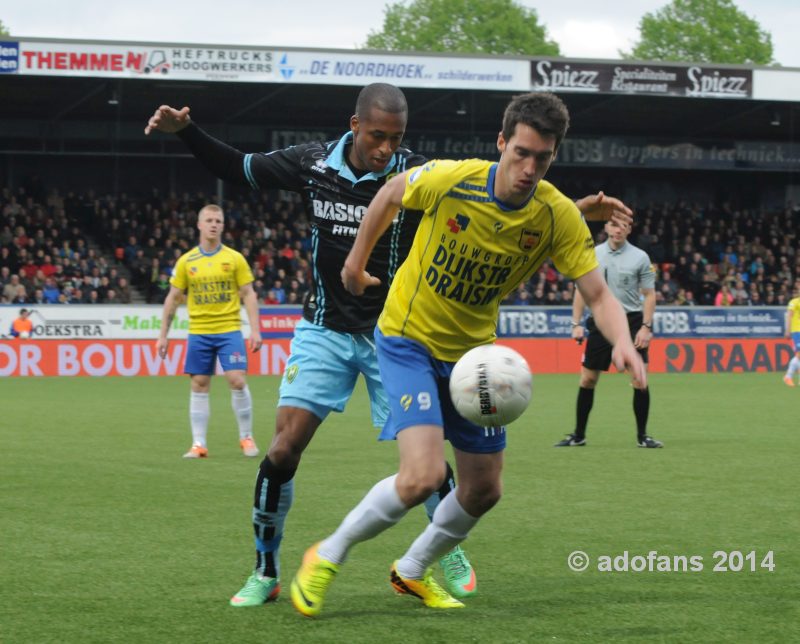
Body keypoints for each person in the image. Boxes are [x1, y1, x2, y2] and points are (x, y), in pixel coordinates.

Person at [145, 84, 632, 607]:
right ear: (355, 126)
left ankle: (438, 553)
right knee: (286, 448)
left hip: (396, 329)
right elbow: (239, 166)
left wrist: (570, 212)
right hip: (330, 328)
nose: (385, 148)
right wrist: (187, 132)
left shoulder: (423, 171)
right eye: (377, 136)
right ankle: (267, 570)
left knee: (440, 471)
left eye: (395, 138)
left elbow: (507, 216)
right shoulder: (314, 164)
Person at [289, 91, 643, 616]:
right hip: (408, 340)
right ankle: (327, 553)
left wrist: (622, 343)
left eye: (541, 159)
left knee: (483, 489)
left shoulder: (557, 217)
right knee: (423, 476)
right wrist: (354, 265)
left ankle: (411, 571)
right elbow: (388, 195)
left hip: (473, 358)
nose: (527, 168)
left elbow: (596, 293)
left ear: (553, 158)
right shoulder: (451, 178)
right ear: (501, 142)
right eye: (520, 152)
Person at [156, 204, 263, 459]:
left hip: (229, 330)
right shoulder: (186, 261)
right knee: (199, 384)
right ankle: (199, 444)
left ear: (223, 226)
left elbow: (248, 294)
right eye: (209, 220)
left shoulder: (234, 258)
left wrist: (255, 330)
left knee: (237, 380)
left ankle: (246, 437)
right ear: (199, 225)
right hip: (199, 331)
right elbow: (173, 298)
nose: (214, 224)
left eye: (218, 220)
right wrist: (163, 334)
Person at [555, 219, 662, 448]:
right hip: (600, 322)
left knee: (640, 380)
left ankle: (643, 436)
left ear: (630, 229)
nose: (618, 228)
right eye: (614, 224)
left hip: (632, 322)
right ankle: (578, 435)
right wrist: (576, 323)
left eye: (623, 225)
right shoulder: (592, 254)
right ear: (606, 227)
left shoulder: (640, 257)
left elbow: (650, 295)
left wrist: (646, 327)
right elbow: (581, 291)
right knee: (588, 379)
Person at [782, 290, 800, 386]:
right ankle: (788, 377)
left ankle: (788, 377)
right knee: (799, 354)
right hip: (797, 331)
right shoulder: (794, 302)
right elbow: (789, 316)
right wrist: (787, 330)